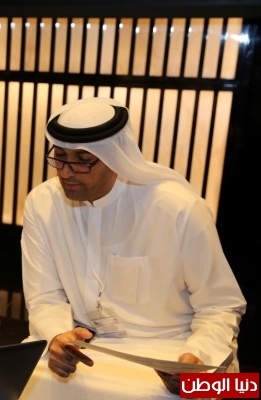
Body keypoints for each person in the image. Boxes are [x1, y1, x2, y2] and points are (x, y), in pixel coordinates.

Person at [20, 97, 246, 394]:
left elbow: (220, 305)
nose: (65, 172)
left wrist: (197, 357)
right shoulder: (42, 203)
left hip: (171, 350)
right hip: (85, 346)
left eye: (82, 160)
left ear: (115, 156)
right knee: (21, 381)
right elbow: (44, 296)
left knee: (208, 390)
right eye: (59, 157)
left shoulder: (178, 208)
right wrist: (56, 336)